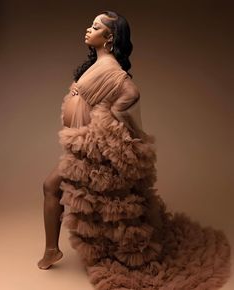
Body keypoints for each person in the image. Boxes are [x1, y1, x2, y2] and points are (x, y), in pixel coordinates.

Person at [37, 10, 231, 290]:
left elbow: (130, 93)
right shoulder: (97, 64)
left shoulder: (114, 70)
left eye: (96, 27)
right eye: (90, 25)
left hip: (92, 147)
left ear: (110, 36)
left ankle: (72, 250)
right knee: (63, 192)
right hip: (81, 144)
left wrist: (120, 127)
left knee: (60, 190)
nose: (88, 30)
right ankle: (53, 249)